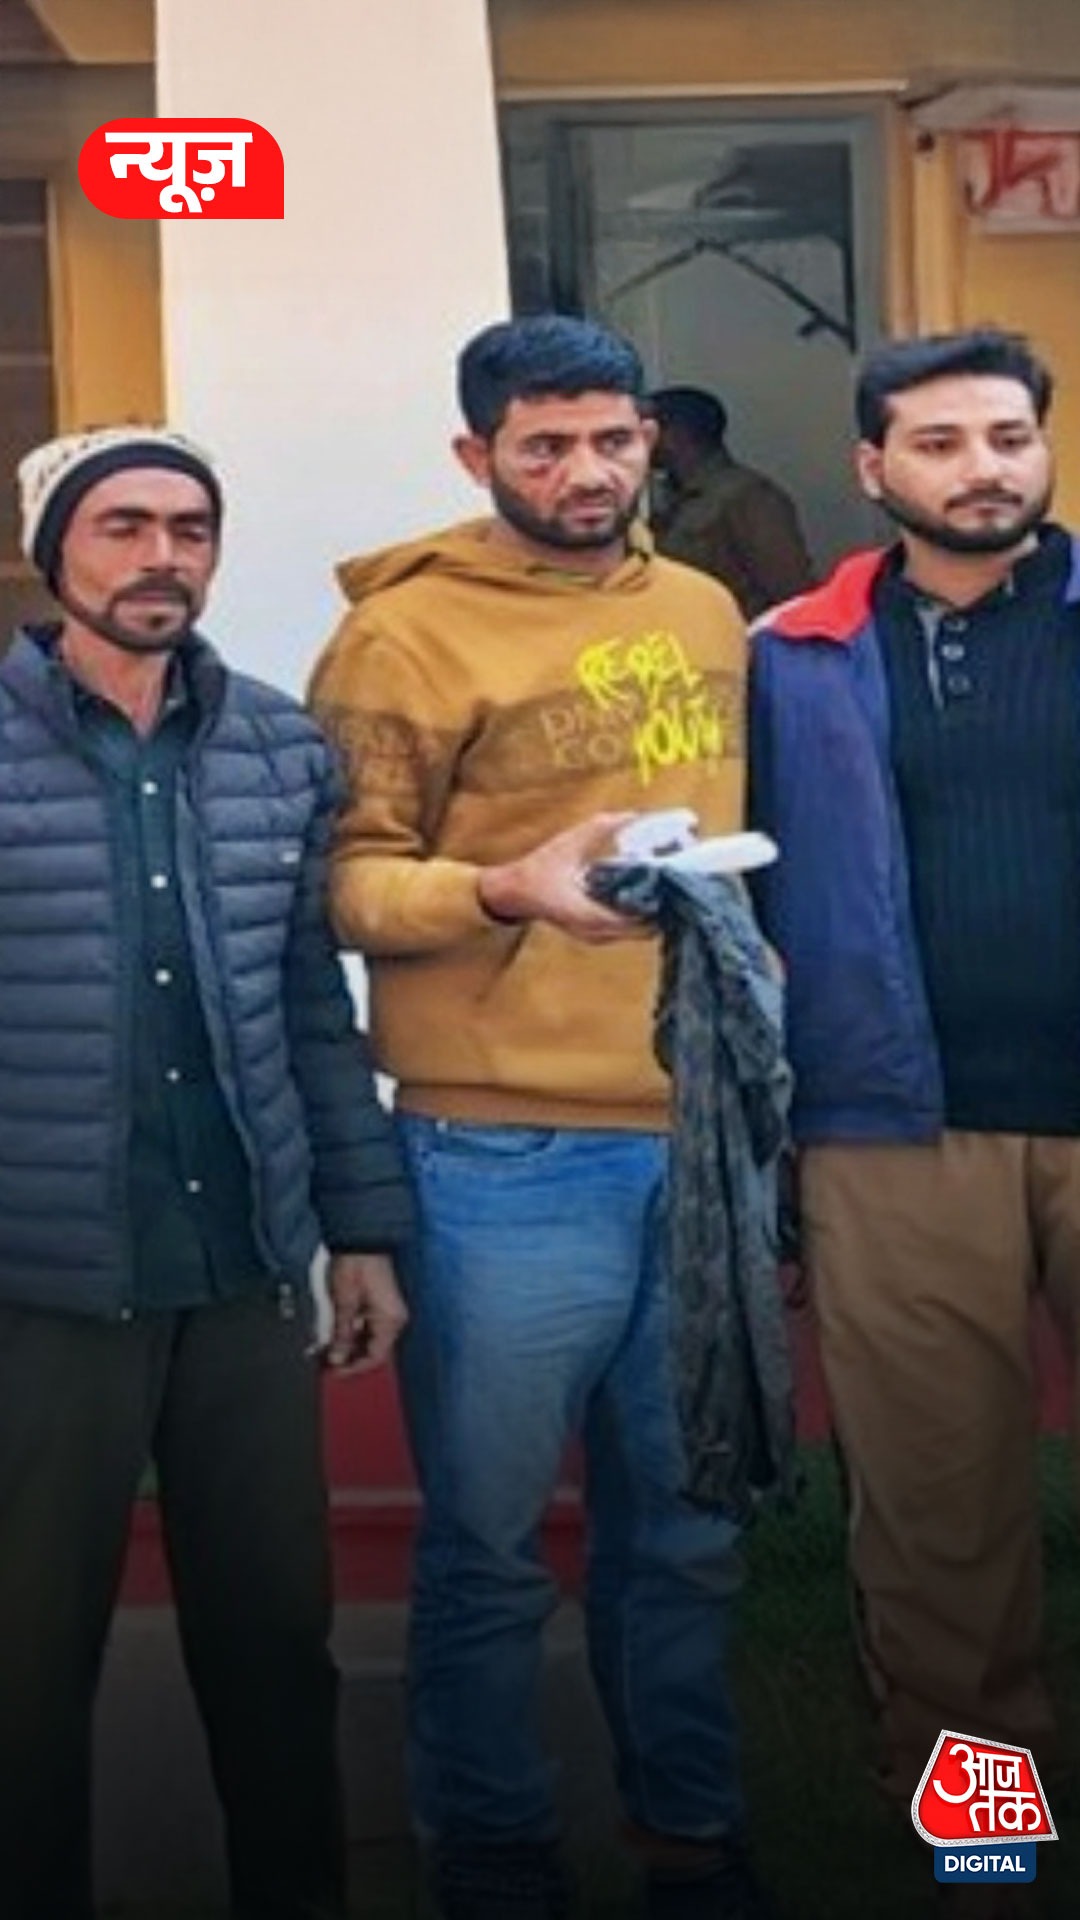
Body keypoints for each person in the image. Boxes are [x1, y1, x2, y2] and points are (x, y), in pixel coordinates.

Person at [309, 315, 765, 1920]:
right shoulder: (400, 638)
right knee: (492, 1549)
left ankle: (690, 1844)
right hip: (496, 1150)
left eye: (612, 439)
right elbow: (340, 885)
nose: (586, 470)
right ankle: (493, 1858)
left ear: (651, 441)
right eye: (546, 443)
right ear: (477, 453)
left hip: (695, 1135)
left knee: (688, 1539)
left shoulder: (705, 610)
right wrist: (501, 887)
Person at [0, 425, 414, 1920]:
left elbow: (310, 1005)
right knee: (26, 1671)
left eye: (189, 528)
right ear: (54, 553)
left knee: (275, 1651)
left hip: (241, 1274)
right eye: (122, 526)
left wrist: (359, 1229)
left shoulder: (278, 747)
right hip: (45, 1288)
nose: (161, 557)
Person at [749, 328, 1077, 1832]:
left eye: (1008, 436)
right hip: (891, 1131)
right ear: (873, 468)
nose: (982, 468)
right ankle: (985, 1836)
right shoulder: (787, 657)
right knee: (939, 1519)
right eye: (939, 444)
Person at [650, 385, 814, 618]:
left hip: (739, 636)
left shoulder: (747, 495)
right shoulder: (673, 501)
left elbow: (792, 592)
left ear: (675, 434)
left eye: (648, 431)